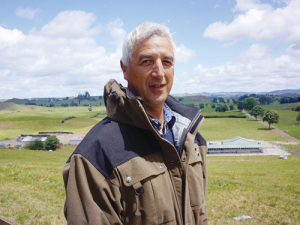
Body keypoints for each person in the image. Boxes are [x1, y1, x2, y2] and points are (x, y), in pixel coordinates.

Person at [63, 22, 208, 225]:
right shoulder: (96, 154)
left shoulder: (191, 137)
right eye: (147, 61)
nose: (159, 73)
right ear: (125, 69)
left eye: (167, 62)